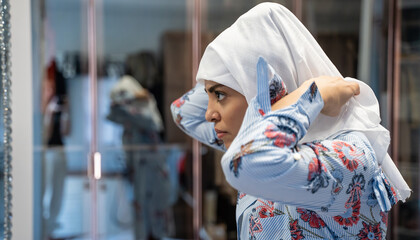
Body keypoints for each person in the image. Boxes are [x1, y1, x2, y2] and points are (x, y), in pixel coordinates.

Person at [170, 3, 411, 239]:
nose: (208, 114)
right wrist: (232, 62)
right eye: (210, 95)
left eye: (220, 95)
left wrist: (309, 97)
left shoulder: (348, 154)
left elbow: (242, 163)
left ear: (259, 88)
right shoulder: (260, 140)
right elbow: (183, 113)